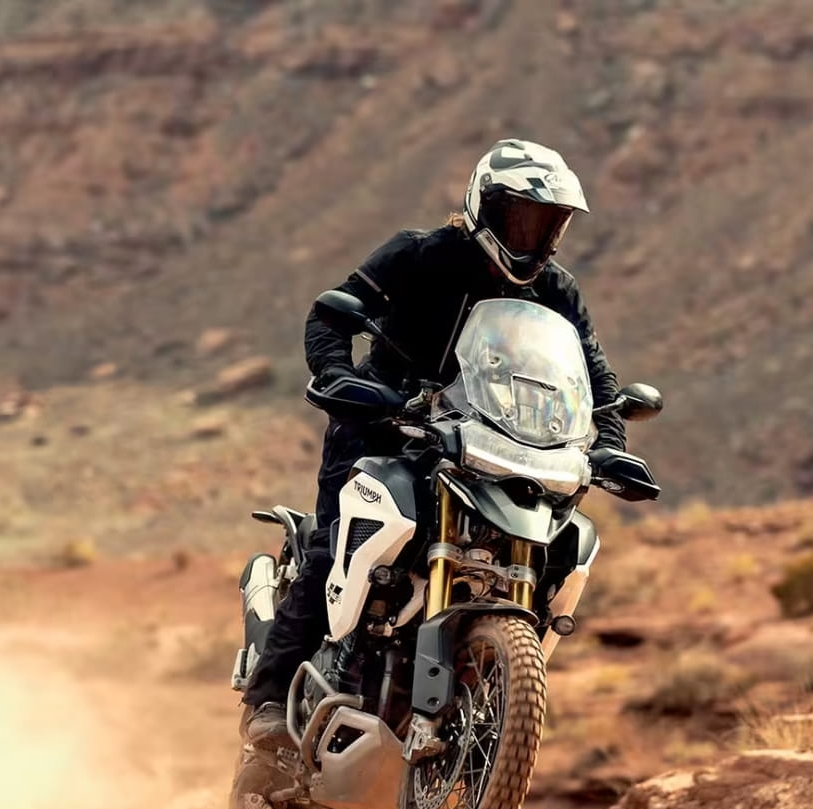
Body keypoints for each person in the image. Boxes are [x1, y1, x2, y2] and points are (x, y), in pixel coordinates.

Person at [242, 138, 627, 751]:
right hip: (384, 424)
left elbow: (595, 377)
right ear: (483, 206)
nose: (530, 236)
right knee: (336, 543)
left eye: (546, 222)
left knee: (550, 549)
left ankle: (486, 700)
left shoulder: (556, 290)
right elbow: (333, 314)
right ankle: (267, 700)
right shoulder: (420, 254)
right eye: (518, 218)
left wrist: (610, 440)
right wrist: (340, 376)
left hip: (491, 444)